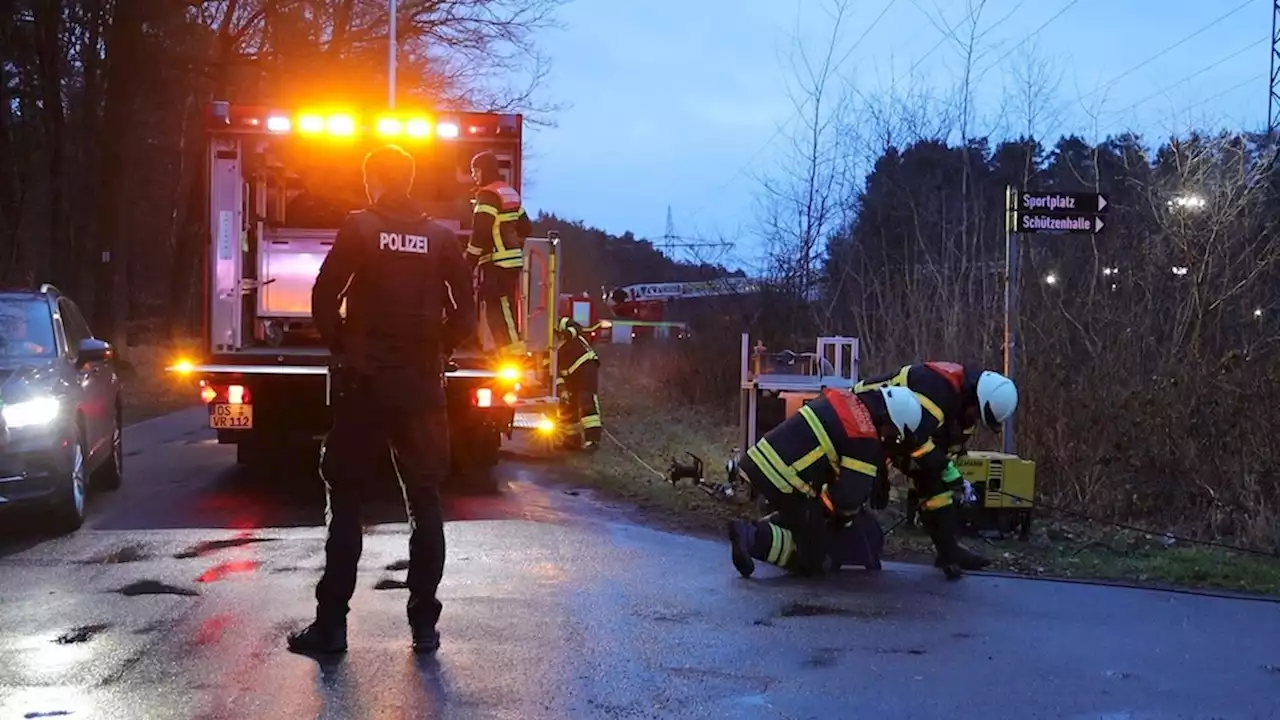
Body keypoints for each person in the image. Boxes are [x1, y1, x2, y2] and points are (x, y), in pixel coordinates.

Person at [288, 144, 475, 656]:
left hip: (365, 388)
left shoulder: (361, 228)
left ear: (373, 182)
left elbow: (324, 296)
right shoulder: (439, 238)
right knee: (425, 502)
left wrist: (344, 346)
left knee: (346, 501)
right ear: (410, 182)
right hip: (421, 390)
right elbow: (466, 313)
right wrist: (439, 347)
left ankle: (331, 628)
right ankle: (424, 626)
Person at [727, 385, 926, 578]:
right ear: (889, 421)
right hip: (785, 482)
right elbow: (848, 498)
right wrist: (843, 520)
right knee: (815, 556)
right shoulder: (864, 438)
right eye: (894, 435)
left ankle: (768, 526)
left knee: (808, 518)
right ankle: (752, 536)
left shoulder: (848, 400)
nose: (890, 440)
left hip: (761, 462)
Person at [854, 362, 1018, 576]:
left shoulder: (962, 410)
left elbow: (943, 449)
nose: (975, 417)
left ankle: (948, 552)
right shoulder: (936, 389)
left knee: (937, 487)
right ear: (975, 398)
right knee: (864, 482)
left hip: (895, 432)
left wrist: (953, 478)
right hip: (863, 416)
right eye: (977, 412)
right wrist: (880, 473)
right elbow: (914, 438)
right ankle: (841, 532)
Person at [464, 151, 532, 357]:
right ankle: (508, 350)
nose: (474, 176)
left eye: (475, 171)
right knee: (503, 307)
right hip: (510, 260)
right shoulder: (509, 192)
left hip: (497, 262)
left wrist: (469, 261)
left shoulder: (487, 195)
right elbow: (526, 227)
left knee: (499, 308)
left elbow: (481, 233)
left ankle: (514, 354)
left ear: (483, 170)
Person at [553, 317, 602, 451]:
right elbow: (554, 373)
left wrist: (567, 334)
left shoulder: (560, 322)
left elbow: (577, 328)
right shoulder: (546, 348)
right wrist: (562, 390)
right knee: (568, 403)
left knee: (586, 399)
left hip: (585, 365)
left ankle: (592, 441)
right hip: (570, 375)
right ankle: (571, 440)